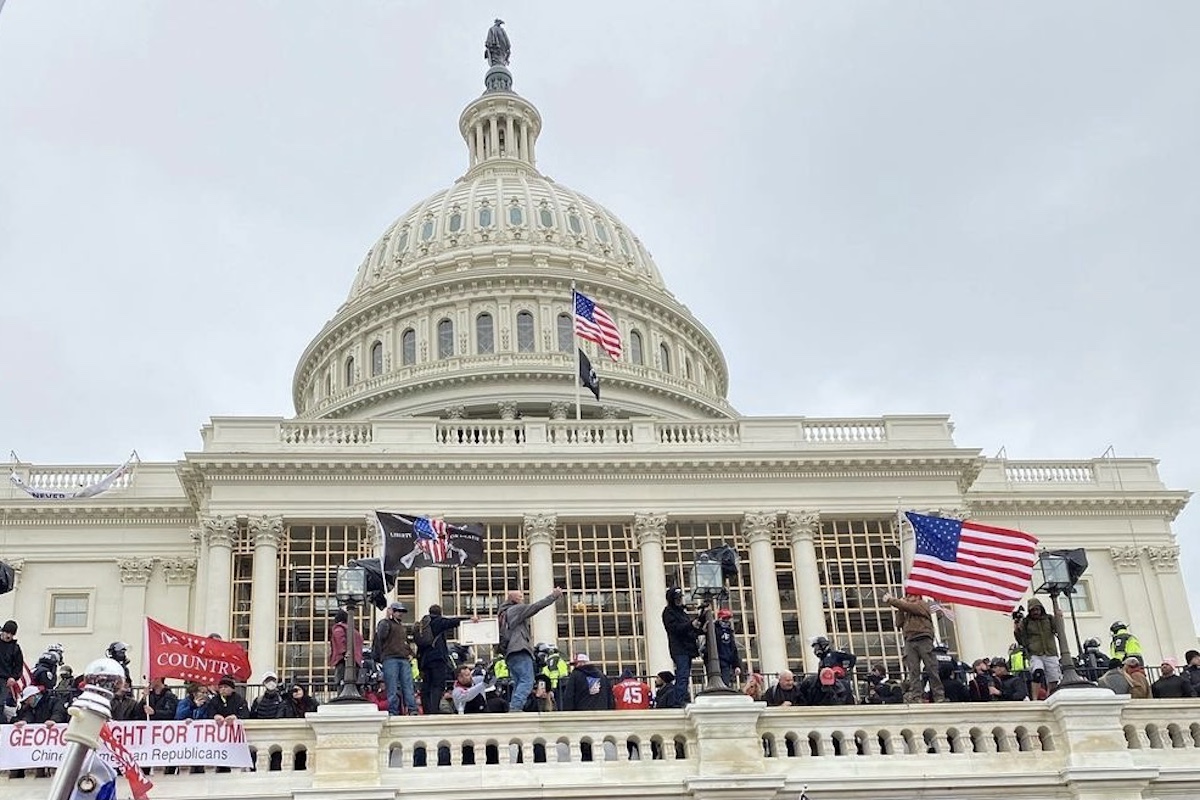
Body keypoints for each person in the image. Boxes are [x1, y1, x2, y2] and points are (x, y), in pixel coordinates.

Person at [498, 586, 564, 712]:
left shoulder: (503, 614)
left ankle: (514, 706)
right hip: (520, 649)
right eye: (520, 597)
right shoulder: (516, 609)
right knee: (527, 681)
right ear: (514, 599)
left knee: (519, 683)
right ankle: (515, 707)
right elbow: (536, 607)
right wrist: (553, 596)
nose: (523, 599)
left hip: (510, 654)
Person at [882, 593, 943, 703]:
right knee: (913, 671)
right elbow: (898, 623)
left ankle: (938, 695)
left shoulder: (923, 605)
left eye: (911, 596)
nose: (908, 598)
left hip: (923, 638)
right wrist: (901, 609)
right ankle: (916, 696)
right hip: (910, 640)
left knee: (931, 668)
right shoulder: (906, 609)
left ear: (917, 596)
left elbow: (911, 607)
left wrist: (893, 601)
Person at [416, 604, 476, 716]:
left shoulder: (423, 624)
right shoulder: (437, 622)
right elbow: (452, 622)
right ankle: (433, 710)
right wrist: (468, 618)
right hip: (437, 659)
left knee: (426, 686)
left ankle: (427, 710)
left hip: (424, 661)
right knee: (437, 685)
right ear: (440, 612)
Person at [661, 587, 706, 702]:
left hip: (686, 649)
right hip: (679, 649)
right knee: (682, 676)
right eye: (677, 598)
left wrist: (700, 630)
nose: (679, 600)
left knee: (684, 676)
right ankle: (678, 700)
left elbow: (688, 631)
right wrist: (691, 625)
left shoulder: (682, 613)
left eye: (680, 598)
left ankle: (680, 699)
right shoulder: (669, 612)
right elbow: (675, 629)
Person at [374, 601, 417, 716]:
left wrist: (411, 654)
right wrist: (386, 618)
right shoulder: (385, 623)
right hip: (390, 658)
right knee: (392, 686)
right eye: (397, 611)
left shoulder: (401, 627)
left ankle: (412, 709)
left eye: (401, 611)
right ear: (392, 611)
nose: (400, 613)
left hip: (401, 658)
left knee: (407, 685)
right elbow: (381, 635)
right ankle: (394, 710)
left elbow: (405, 643)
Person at [1014, 598, 1060, 699]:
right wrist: (1017, 627)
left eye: (1037, 609)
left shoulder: (1049, 618)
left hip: (1050, 652)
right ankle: (1034, 699)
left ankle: (1050, 697)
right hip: (1035, 653)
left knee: (1053, 678)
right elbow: (1020, 639)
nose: (1036, 612)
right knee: (1037, 673)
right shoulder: (1026, 622)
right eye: (1033, 610)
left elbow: (1058, 630)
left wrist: (1059, 618)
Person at [329, 609, 364, 691]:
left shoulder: (339, 628)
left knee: (341, 684)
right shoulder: (355, 632)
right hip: (356, 661)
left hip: (343, 660)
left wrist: (343, 652)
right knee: (355, 686)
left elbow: (339, 639)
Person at [714, 608, 742, 686]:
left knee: (725, 683)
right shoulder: (714, 629)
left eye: (727, 619)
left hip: (726, 662)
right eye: (724, 618)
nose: (726, 621)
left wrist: (736, 665)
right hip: (717, 661)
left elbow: (733, 649)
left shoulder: (729, 632)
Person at [0, 619, 23, 710]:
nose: (9, 636)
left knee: (1, 704)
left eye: (12, 634)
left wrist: (13, 677)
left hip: (5, 680)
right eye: (7, 633)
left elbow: (18, 666)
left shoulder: (15, 648)